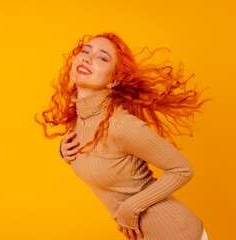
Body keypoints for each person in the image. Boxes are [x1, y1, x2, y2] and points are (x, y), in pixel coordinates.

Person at [34, 32, 210, 240]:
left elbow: (182, 170)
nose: (87, 58)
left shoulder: (121, 125)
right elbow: (100, 163)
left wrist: (131, 208)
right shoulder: (79, 117)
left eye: (102, 57)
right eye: (85, 51)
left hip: (177, 232)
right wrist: (65, 153)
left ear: (113, 80)